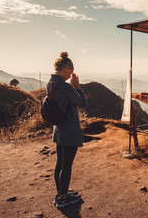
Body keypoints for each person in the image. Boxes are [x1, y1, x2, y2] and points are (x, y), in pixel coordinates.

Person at [47, 51, 87, 208]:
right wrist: (77, 87)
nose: (69, 77)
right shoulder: (65, 87)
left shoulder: (50, 83)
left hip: (58, 129)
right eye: (69, 73)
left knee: (59, 163)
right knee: (67, 165)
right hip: (69, 130)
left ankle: (60, 192)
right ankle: (63, 198)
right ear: (64, 70)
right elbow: (82, 103)